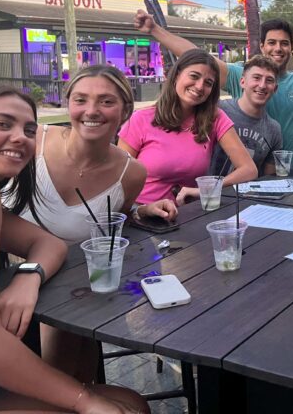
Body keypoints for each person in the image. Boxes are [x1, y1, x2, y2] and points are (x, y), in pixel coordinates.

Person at [0, 84, 147, 413]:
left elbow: (47, 243)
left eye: (28, 129)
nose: (21, 137)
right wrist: (85, 401)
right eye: (2, 124)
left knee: (129, 403)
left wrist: (28, 275)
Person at [15, 65, 177, 383]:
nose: (92, 111)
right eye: (81, 100)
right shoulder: (32, 142)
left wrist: (141, 211)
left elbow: (111, 219)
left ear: (125, 110)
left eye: (106, 101)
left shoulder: (131, 173)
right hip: (7, 280)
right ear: (67, 104)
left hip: (70, 290)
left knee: (76, 341)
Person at [133, 10, 293, 164]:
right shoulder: (240, 73)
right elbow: (198, 56)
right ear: (262, 46)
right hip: (245, 180)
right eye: (272, 42)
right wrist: (154, 30)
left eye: (284, 43)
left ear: (292, 48)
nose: (278, 48)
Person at [118, 48, 256, 205]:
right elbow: (117, 181)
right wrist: (137, 212)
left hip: (187, 216)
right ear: (177, 75)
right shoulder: (140, 120)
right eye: (194, 76)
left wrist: (207, 189)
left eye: (208, 83)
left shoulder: (214, 118)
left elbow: (249, 169)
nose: (199, 86)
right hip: (142, 215)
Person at [210, 55, 283, 176]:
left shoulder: (274, 129)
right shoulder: (218, 110)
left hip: (247, 193)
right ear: (242, 82)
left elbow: (269, 179)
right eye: (256, 78)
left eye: (269, 80)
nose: (262, 85)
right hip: (208, 192)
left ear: (275, 89)